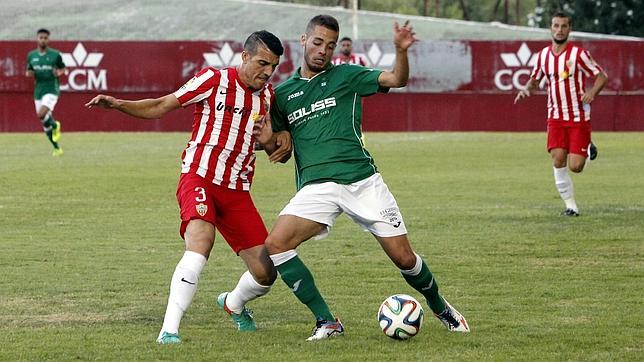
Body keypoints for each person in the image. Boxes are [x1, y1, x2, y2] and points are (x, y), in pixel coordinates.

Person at [257, 14, 470, 341]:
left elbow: (396, 79)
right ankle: (326, 322)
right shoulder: (282, 95)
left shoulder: (347, 75)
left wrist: (401, 51)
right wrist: (270, 140)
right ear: (303, 41)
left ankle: (440, 306)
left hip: (363, 181)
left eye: (329, 46)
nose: (323, 51)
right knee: (276, 244)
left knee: (404, 258)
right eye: (317, 43)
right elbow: (276, 145)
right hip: (318, 186)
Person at [85, 30, 291, 345]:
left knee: (266, 273)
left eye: (273, 66)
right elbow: (161, 105)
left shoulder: (267, 96)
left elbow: (269, 143)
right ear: (245, 57)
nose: (267, 72)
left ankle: (233, 303)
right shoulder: (213, 80)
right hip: (199, 177)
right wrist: (118, 104)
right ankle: (169, 331)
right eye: (262, 63)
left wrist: (272, 143)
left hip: (236, 190)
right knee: (200, 243)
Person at [514, 11, 608, 216]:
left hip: (577, 116)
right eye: (556, 26)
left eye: (564, 26)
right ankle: (571, 207)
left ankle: (587, 148)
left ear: (569, 29)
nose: (559, 30)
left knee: (576, 167)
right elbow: (535, 80)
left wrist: (592, 92)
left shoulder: (579, 54)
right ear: (551, 28)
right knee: (558, 159)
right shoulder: (543, 56)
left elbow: (601, 76)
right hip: (555, 116)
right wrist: (526, 89)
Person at [26, 28, 66, 156]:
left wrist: (58, 72)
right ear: (37, 39)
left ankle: (55, 125)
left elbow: (63, 69)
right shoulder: (31, 56)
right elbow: (29, 71)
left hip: (51, 89)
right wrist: (29, 73)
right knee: (44, 123)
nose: (43, 40)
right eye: (40, 37)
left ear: (48, 39)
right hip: (38, 91)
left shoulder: (55, 55)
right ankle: (57, 148)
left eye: (45, 37)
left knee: (41, 114)